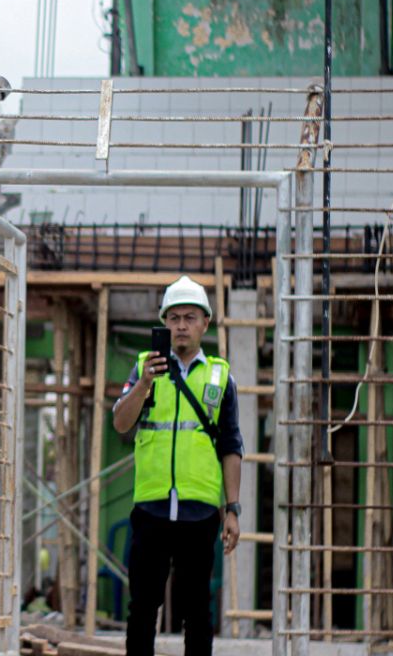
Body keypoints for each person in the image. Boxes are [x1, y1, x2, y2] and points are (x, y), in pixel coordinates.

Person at [111, 275, 243, 656]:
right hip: (151, 506)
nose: (181, 325)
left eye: (189, 317)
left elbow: (232, 446)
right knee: (142, 609)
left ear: (205, 323)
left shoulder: (220, 377)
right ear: (164, 323)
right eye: (173, 318)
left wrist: (232, 509)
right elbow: (121, 424)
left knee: (197, 610)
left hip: (199, 511)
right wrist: (144, 385)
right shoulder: (143, 368)